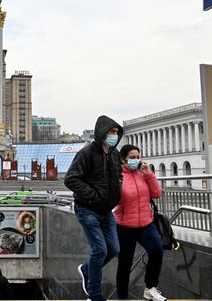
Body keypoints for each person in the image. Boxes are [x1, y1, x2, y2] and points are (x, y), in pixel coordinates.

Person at [65, 115, 123, 301]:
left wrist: (116, 194)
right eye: (111, 132)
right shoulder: (86, 153)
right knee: (100, 250)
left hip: (106, 211)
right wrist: (93, 196)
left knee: (113, 249)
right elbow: (71, 179)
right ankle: (95, 294)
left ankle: (86, 269)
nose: (114, 135)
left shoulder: (114, 154)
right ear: (101, 133)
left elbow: (118, 176)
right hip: (87, 209)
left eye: (116, 132)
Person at [114, 144, 166, 301]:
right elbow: (115, 200)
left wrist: (149, 174)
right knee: (125, 264)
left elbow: (157, 194)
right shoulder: (118, 176)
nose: (136, 160)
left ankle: (150, 288)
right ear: (123, 160)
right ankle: (122, 297)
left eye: (138, 157)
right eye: (132, 157)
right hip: (124, 226)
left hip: (146, 223)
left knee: (157, 250)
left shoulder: (143, 174)